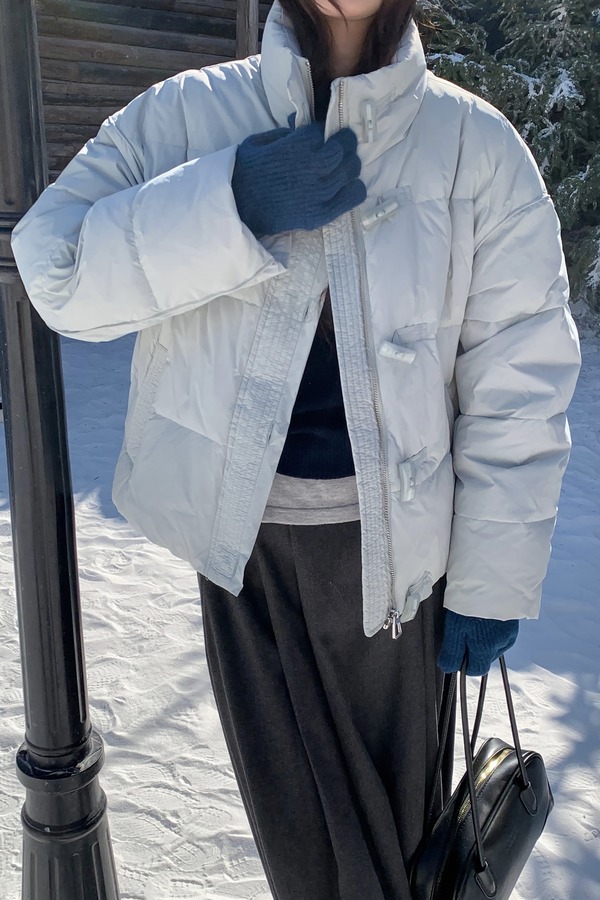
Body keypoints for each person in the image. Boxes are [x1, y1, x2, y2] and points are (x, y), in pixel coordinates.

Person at [11, 0, 581, 897]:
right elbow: (55, 266)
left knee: (397, 857)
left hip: (395, 574)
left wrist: (490, 582)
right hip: (244, 557)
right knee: (301, 854)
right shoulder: (189, 114)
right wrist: (228, 202)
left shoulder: (475, 146)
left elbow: (522, 379)